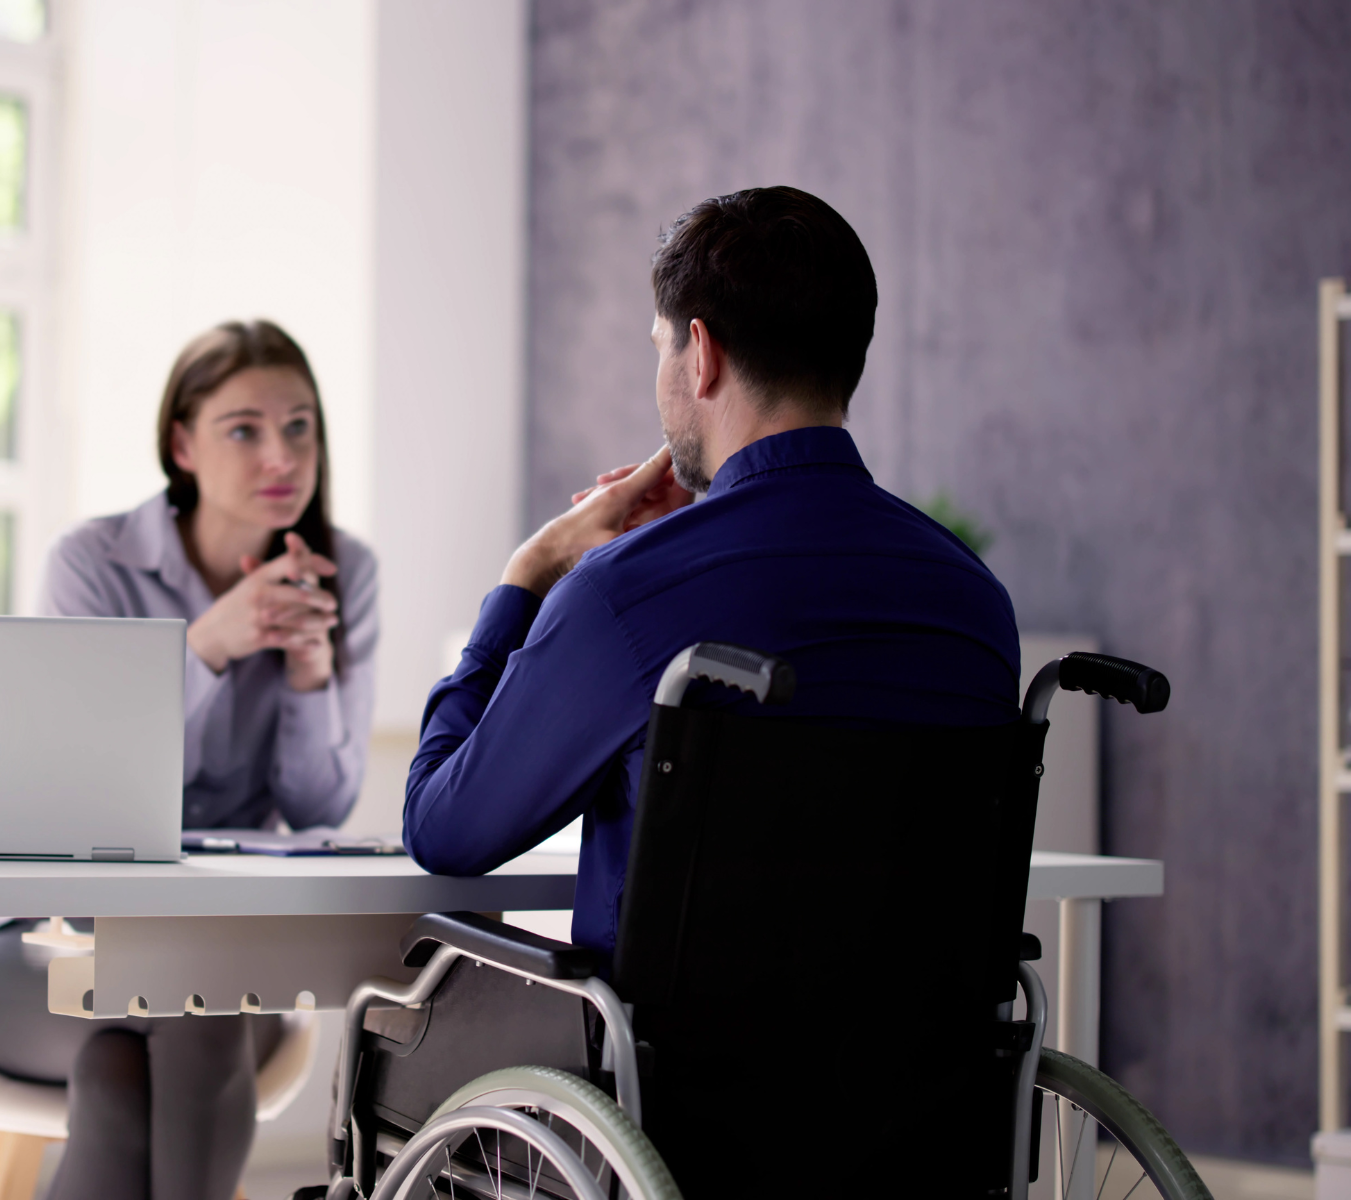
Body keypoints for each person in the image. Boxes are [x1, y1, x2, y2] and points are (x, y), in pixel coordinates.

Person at [404, 185, 1018, 972]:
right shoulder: (975, 601)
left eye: (659, 346)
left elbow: (444, 830)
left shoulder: (621, 598)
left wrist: (528, 577)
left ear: (703, 354)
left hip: (678, 1086)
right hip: (917, 1084)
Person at [0, 320, 377, 1200]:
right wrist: (208, 648)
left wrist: (309, 678)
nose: (282, 454)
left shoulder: (346, 573)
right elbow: (74, 788)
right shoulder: (91, 566)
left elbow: (319, 810)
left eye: (300, 426)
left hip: (222, 957)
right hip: (41, 946)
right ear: (181, 444)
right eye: (244, 429)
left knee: (144, 1052)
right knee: (183, 1015)